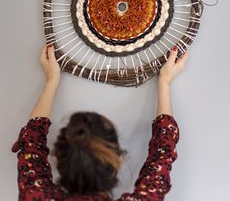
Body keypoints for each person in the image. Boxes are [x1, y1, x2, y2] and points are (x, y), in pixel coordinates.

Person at [12, 44, 189, 201]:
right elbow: (163, 150)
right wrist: (164, 82)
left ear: (56, 158)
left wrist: (51, 80)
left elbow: (31, 142)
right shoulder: (33, 192)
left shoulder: (34, 194)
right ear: (118, 160)